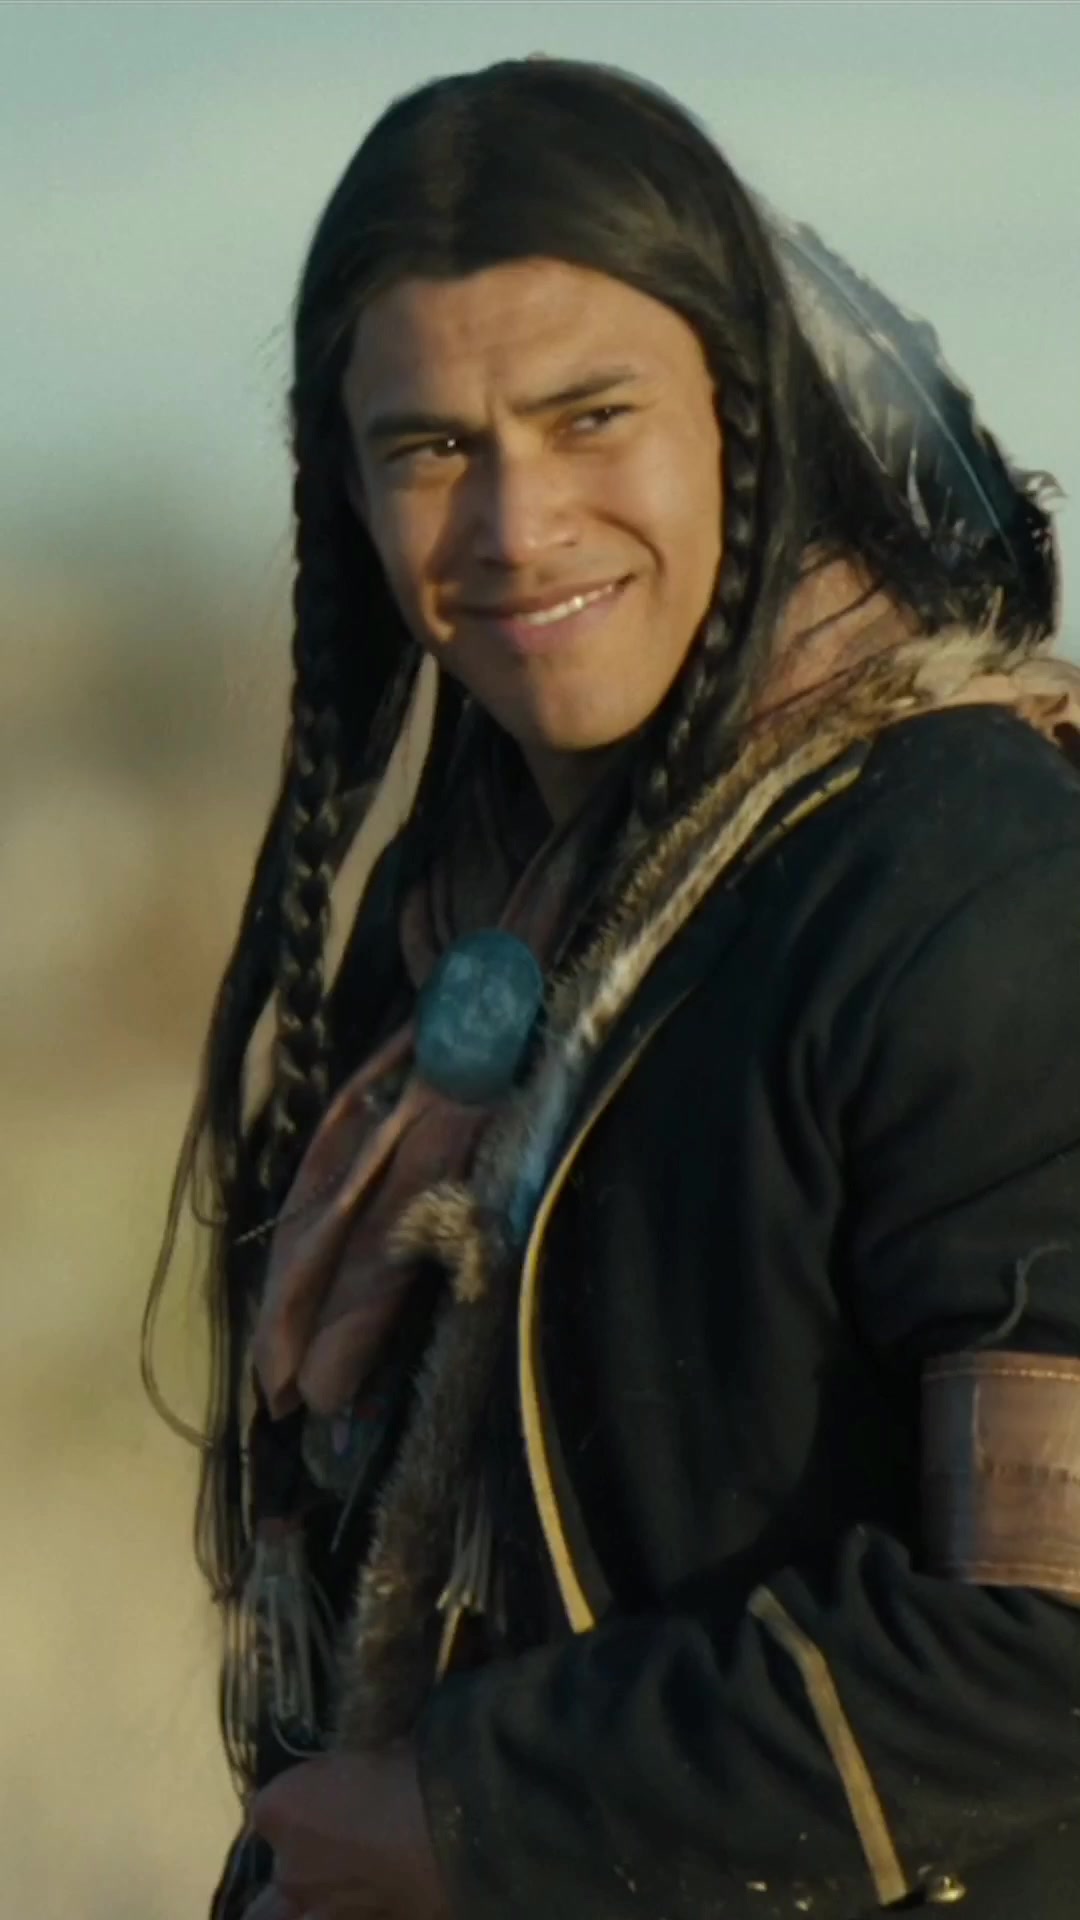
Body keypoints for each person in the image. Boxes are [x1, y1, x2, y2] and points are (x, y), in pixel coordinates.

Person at [146, 55, 1080, 1920]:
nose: (514, 525)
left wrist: (469, 1821)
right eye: (430, 448)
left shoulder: (975, 879)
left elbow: (1045, 1634)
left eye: (592, 418)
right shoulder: (472, 912)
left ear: (744, 411)